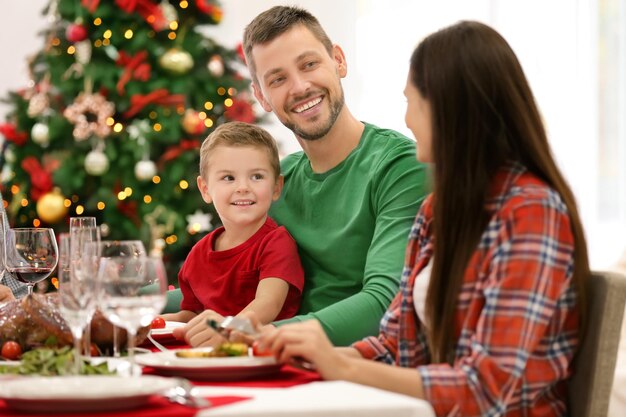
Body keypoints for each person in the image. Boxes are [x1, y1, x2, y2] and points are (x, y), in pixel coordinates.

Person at [256, 21, 590, 417]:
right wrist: (307, 355)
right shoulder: (437, 210)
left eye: (412, 102)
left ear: (453, 110)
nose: (408, 120)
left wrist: (340, 365)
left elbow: (487, 389)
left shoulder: (531, 212)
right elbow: (395, 343)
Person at [174, 6, 429, 347]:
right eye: (277, 79)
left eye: (309, 64)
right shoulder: (276, 182)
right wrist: (123, 301)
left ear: (338, 60)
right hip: (275, 361)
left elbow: (384, 304)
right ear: (262, 96)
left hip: (353, 371)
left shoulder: (401, 167)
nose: (300, 86)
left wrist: (244, 333)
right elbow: (218, 284)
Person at [161, 121, 304, 333]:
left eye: (256, 176)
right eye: (229, 178)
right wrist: (148, 322)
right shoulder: (199, 254)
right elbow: (191, 315)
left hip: (259, 354)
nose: (243, 188)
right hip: (209, 353)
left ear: (276, 187)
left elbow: (268, 305)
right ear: (205, 189)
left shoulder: (276, 244)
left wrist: (224, 329)